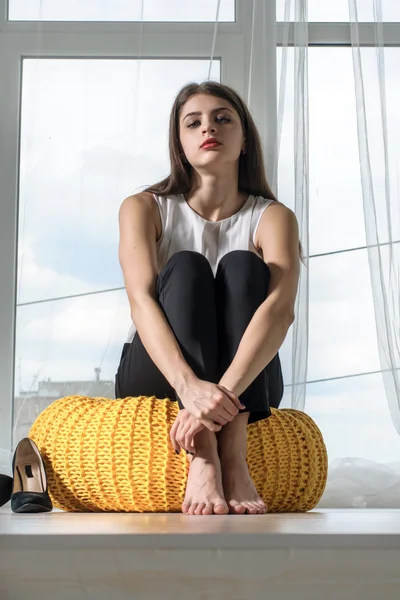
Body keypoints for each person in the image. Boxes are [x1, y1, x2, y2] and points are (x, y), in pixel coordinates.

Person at [115, 80, 301, 516]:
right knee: (187, 268)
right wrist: (190, 388)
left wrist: (218, 401)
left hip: (247, 378)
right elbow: (141, 301)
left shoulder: (273, 217)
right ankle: (202, 457)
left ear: (243, 141)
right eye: (193, 122)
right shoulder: (144, 207)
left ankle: (232, 453)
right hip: (161, 369)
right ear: (179, 145)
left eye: (222, 118)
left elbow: (279, 312)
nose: (208, 129)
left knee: (243, 266)